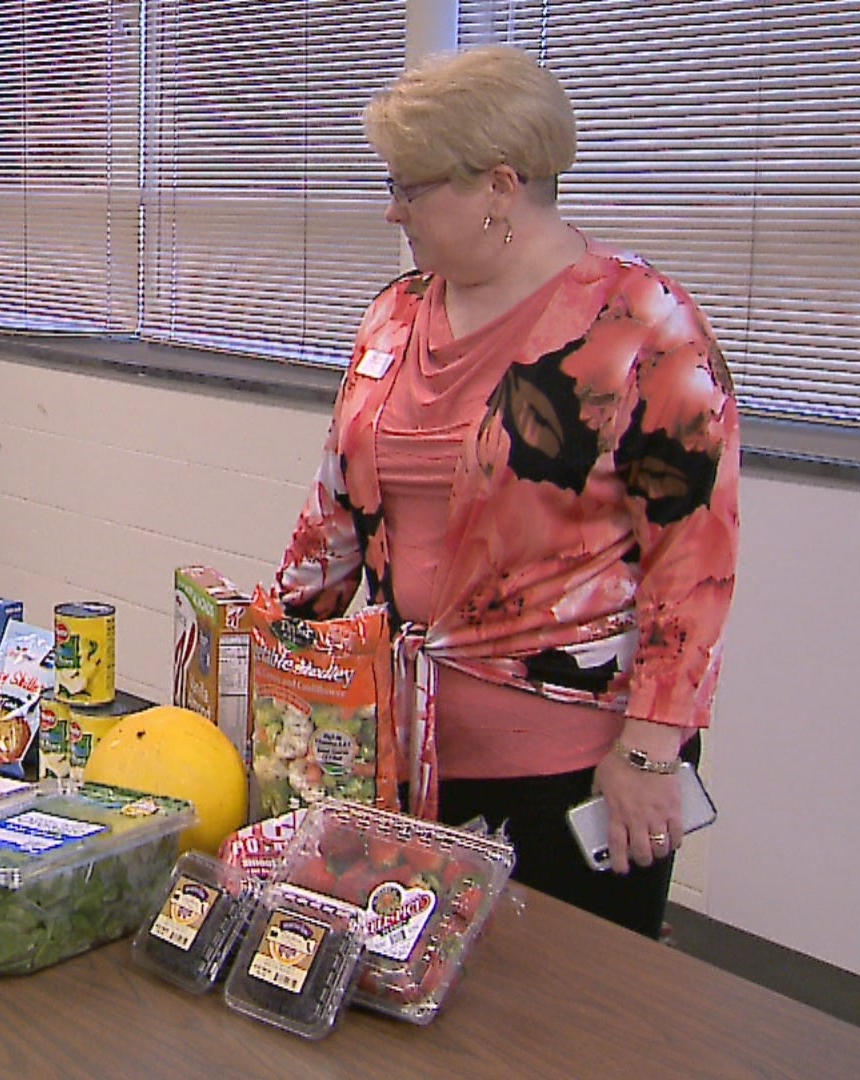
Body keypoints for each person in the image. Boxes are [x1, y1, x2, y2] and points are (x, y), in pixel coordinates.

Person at [273, 46, 740, 938]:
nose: (392, 210)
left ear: (498, 185)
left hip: (570, 772)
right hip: (395, 755)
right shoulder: (399, 312)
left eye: (410, 188)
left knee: (560, 1038)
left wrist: (649, 753)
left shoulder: (643, 328)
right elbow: (335, 508)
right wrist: (275, 657)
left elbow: (696, 563)